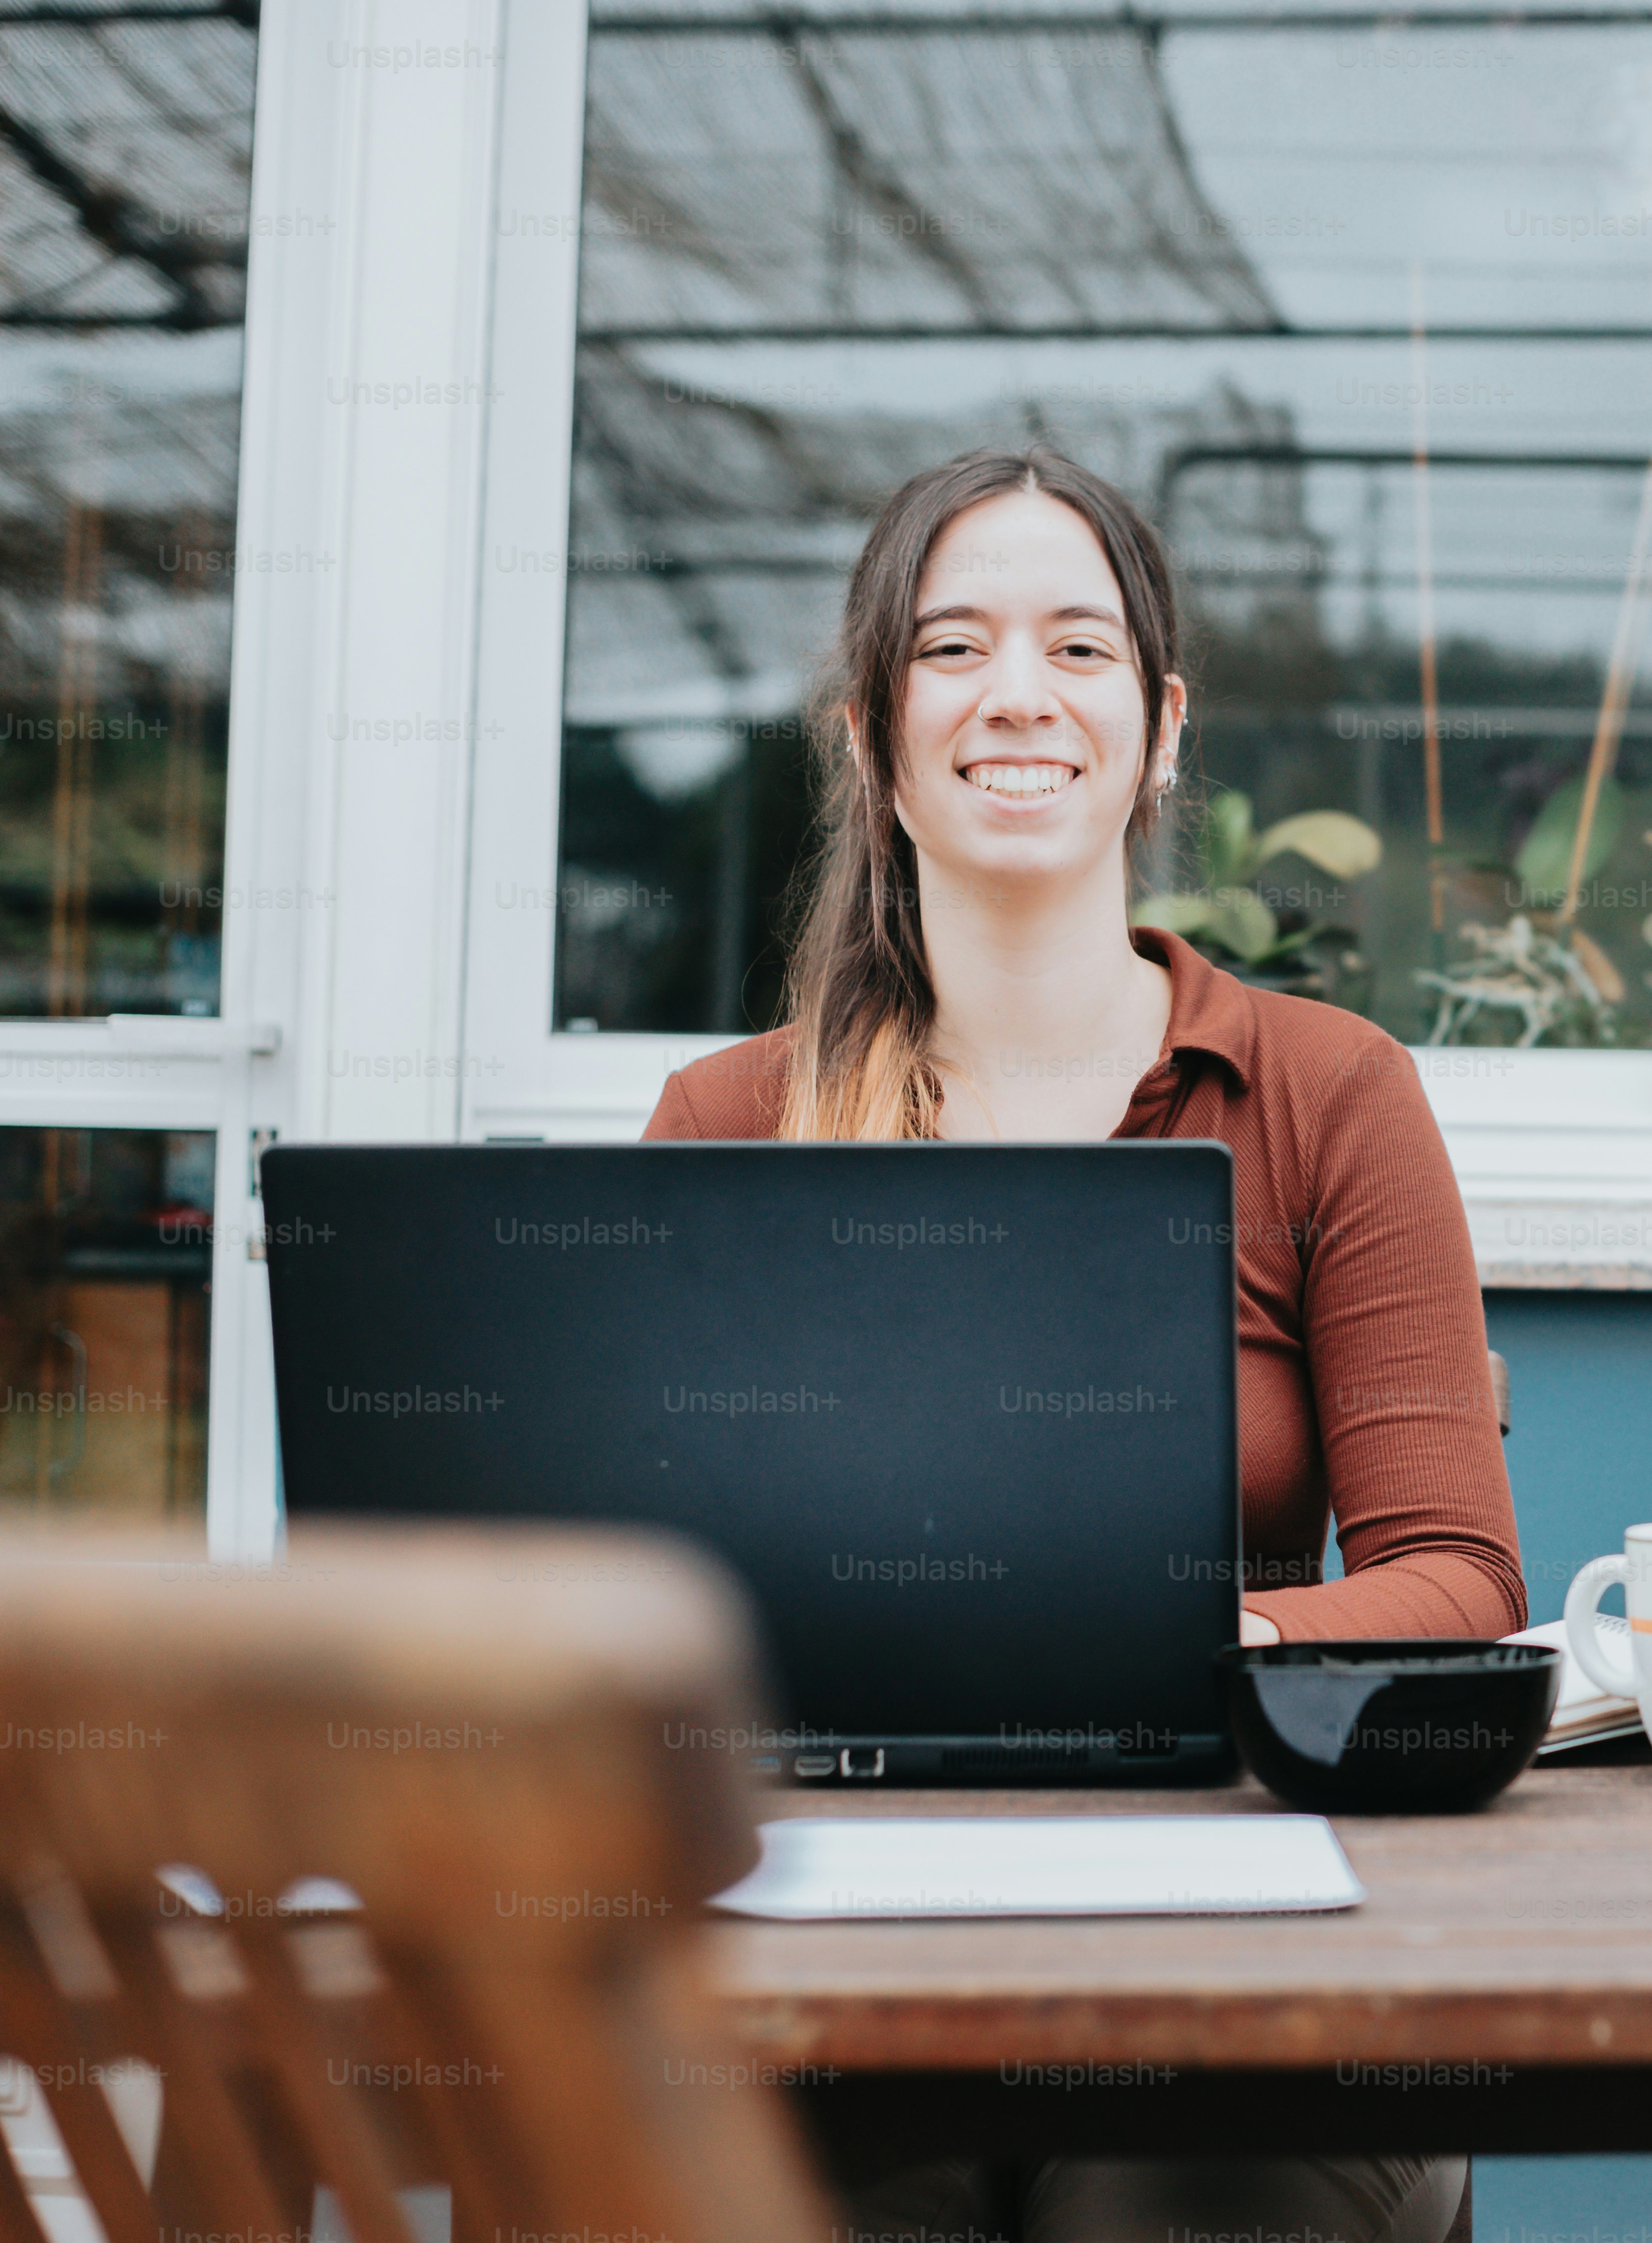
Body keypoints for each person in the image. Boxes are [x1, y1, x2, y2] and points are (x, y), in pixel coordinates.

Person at [644, 447, 1508, 2243]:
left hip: (1235, 1932)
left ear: (1161, 723)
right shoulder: (731, 1121)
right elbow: (630, 1598)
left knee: (1168, 2201)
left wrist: (1170, 1651)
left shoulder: (1327, 1093)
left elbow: (1455, 1577)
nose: (1017, 694)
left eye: (1079, 649)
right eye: (952, 650)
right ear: (878, 738)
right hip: (832, 1939)